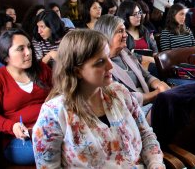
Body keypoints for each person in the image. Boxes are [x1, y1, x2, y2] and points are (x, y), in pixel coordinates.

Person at [32, 29, 165, 168]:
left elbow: (146, 135)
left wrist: (156, 164)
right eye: (100, 62)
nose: (110, 66)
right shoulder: (53, 114)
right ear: (77, 71)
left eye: (108, 57)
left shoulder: (119, 92)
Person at [0, 29, 52, 165]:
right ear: (6, 55)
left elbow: (60, 94)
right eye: (21, 49)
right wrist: (11, 126)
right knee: (49, 149)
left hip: (51, 129)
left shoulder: (41, 69)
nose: (28, 52)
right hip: (20, 140)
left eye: (29, 47)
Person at [94, 15, 169, 122]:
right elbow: (124, 99)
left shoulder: (125, 53)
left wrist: (159, 84)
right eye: (120, 31)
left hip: (149, 102)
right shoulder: (102, 65)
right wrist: (157, 94)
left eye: (125, 31)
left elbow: (145, 75)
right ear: (107, 35)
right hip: (130, 112)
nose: (125, 35)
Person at [117, 0, 158, 76]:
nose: (139, 16)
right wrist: (144, 58)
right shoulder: (122, 34)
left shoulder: (144, 30)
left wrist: (156, 58)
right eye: (135, 14)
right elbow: (124, 54)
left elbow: (154, 48)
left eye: (139, 12)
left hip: (150, 65)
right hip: (133, 68)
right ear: (125, 16)